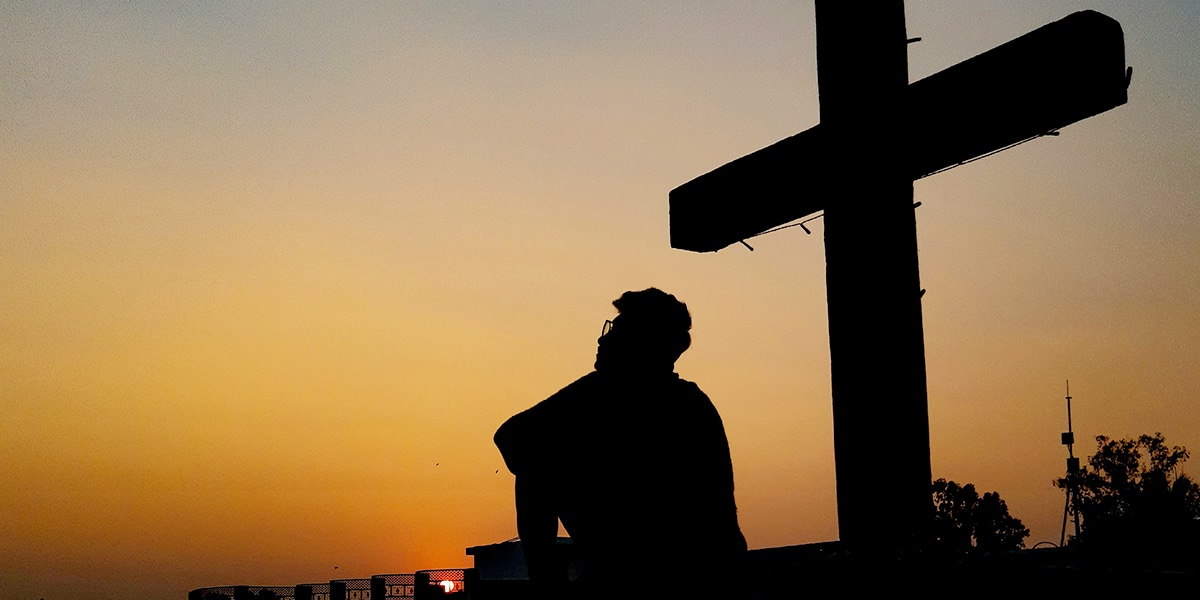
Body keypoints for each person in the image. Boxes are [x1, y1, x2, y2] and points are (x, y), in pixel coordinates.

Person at [494, 288, 746, 599]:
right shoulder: (683, 401)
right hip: (681, 568)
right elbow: (511, 438)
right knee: (537, 464)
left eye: (618, 330)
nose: (603, 339)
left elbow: (513, 438)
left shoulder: (665, 403)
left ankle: (548, 592)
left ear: (642, 343)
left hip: (681, 573)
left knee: (536, 468)